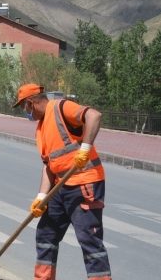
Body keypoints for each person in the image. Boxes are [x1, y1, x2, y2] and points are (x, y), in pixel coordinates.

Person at [12, 83, 111, 280]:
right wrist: (41, 196)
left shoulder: (60, 107)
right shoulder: (40, 129)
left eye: (24, 107)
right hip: (60, 187)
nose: (26, 112)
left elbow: (94, 116)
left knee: (89, 241)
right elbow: (49, 166)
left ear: (31, 103)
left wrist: (85, 148)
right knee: (45, 235)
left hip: (84, 184)